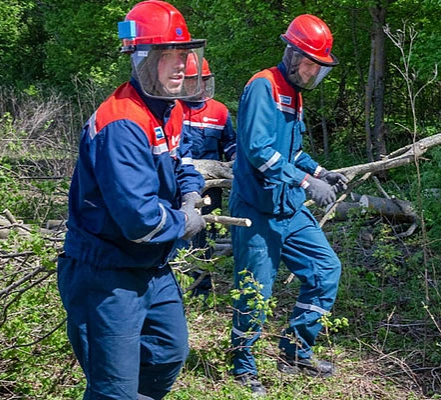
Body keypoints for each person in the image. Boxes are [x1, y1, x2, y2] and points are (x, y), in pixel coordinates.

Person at [56, 1, 207, 399]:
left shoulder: (169, 111)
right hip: (106, 273)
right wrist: (185, 222)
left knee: (167, 353)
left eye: (184, 54)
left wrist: (191, 190)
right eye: (169, 55)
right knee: (115, 391)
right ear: (141, 58)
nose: (181, 65)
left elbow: (183, 160)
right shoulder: (122, 123)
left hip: (151, 266)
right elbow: (139, 220)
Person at [228, 14, 348, 396]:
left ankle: (296, 350)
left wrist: (321, 171)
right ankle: (242, 365)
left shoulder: (294, 94)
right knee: (255, 290)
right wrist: (306, 181)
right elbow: (259, 150)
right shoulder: (263, 87)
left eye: (319, 67)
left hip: (290, 208)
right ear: (292, 54)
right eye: (310, 63)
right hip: (257, 210)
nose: (314, 72)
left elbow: (291, 150)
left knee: (325, 269)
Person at [180, 55, 236, 297]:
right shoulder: (172, 109)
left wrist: (236, 162)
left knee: (206, 236)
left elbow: (231, 143)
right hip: (180, 184)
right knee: (181, 231)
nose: (199, 86)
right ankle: (178, 284)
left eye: (203, 81)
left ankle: (201, 289)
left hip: (212, 187)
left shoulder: (220, 111)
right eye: (193, 81)